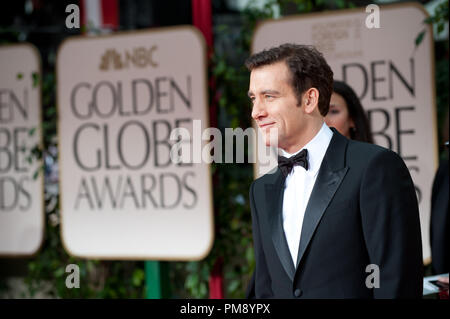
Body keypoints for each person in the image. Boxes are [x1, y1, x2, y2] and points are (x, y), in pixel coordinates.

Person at [245, 43, 423, 298]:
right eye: (253, 98)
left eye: (269, 96)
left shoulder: (375, 168)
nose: (256, 112)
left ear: (309, 100)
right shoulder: (261, 190)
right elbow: (265, 290)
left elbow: (396, 283)